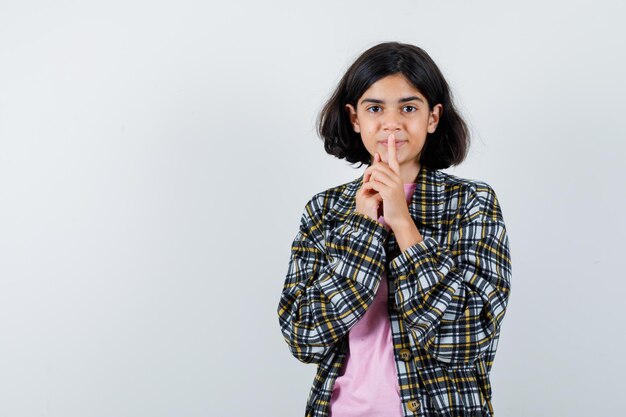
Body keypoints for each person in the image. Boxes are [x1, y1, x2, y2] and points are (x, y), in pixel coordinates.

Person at [276, 41, 512, 417]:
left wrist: (403, 223)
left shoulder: (471, 203)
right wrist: (361, 229)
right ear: (354, 118)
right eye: (374, 108)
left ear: (433, 117)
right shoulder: (324, 211)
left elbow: (470, 336)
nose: (392, 123)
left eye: (408, 107)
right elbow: (304, 338)